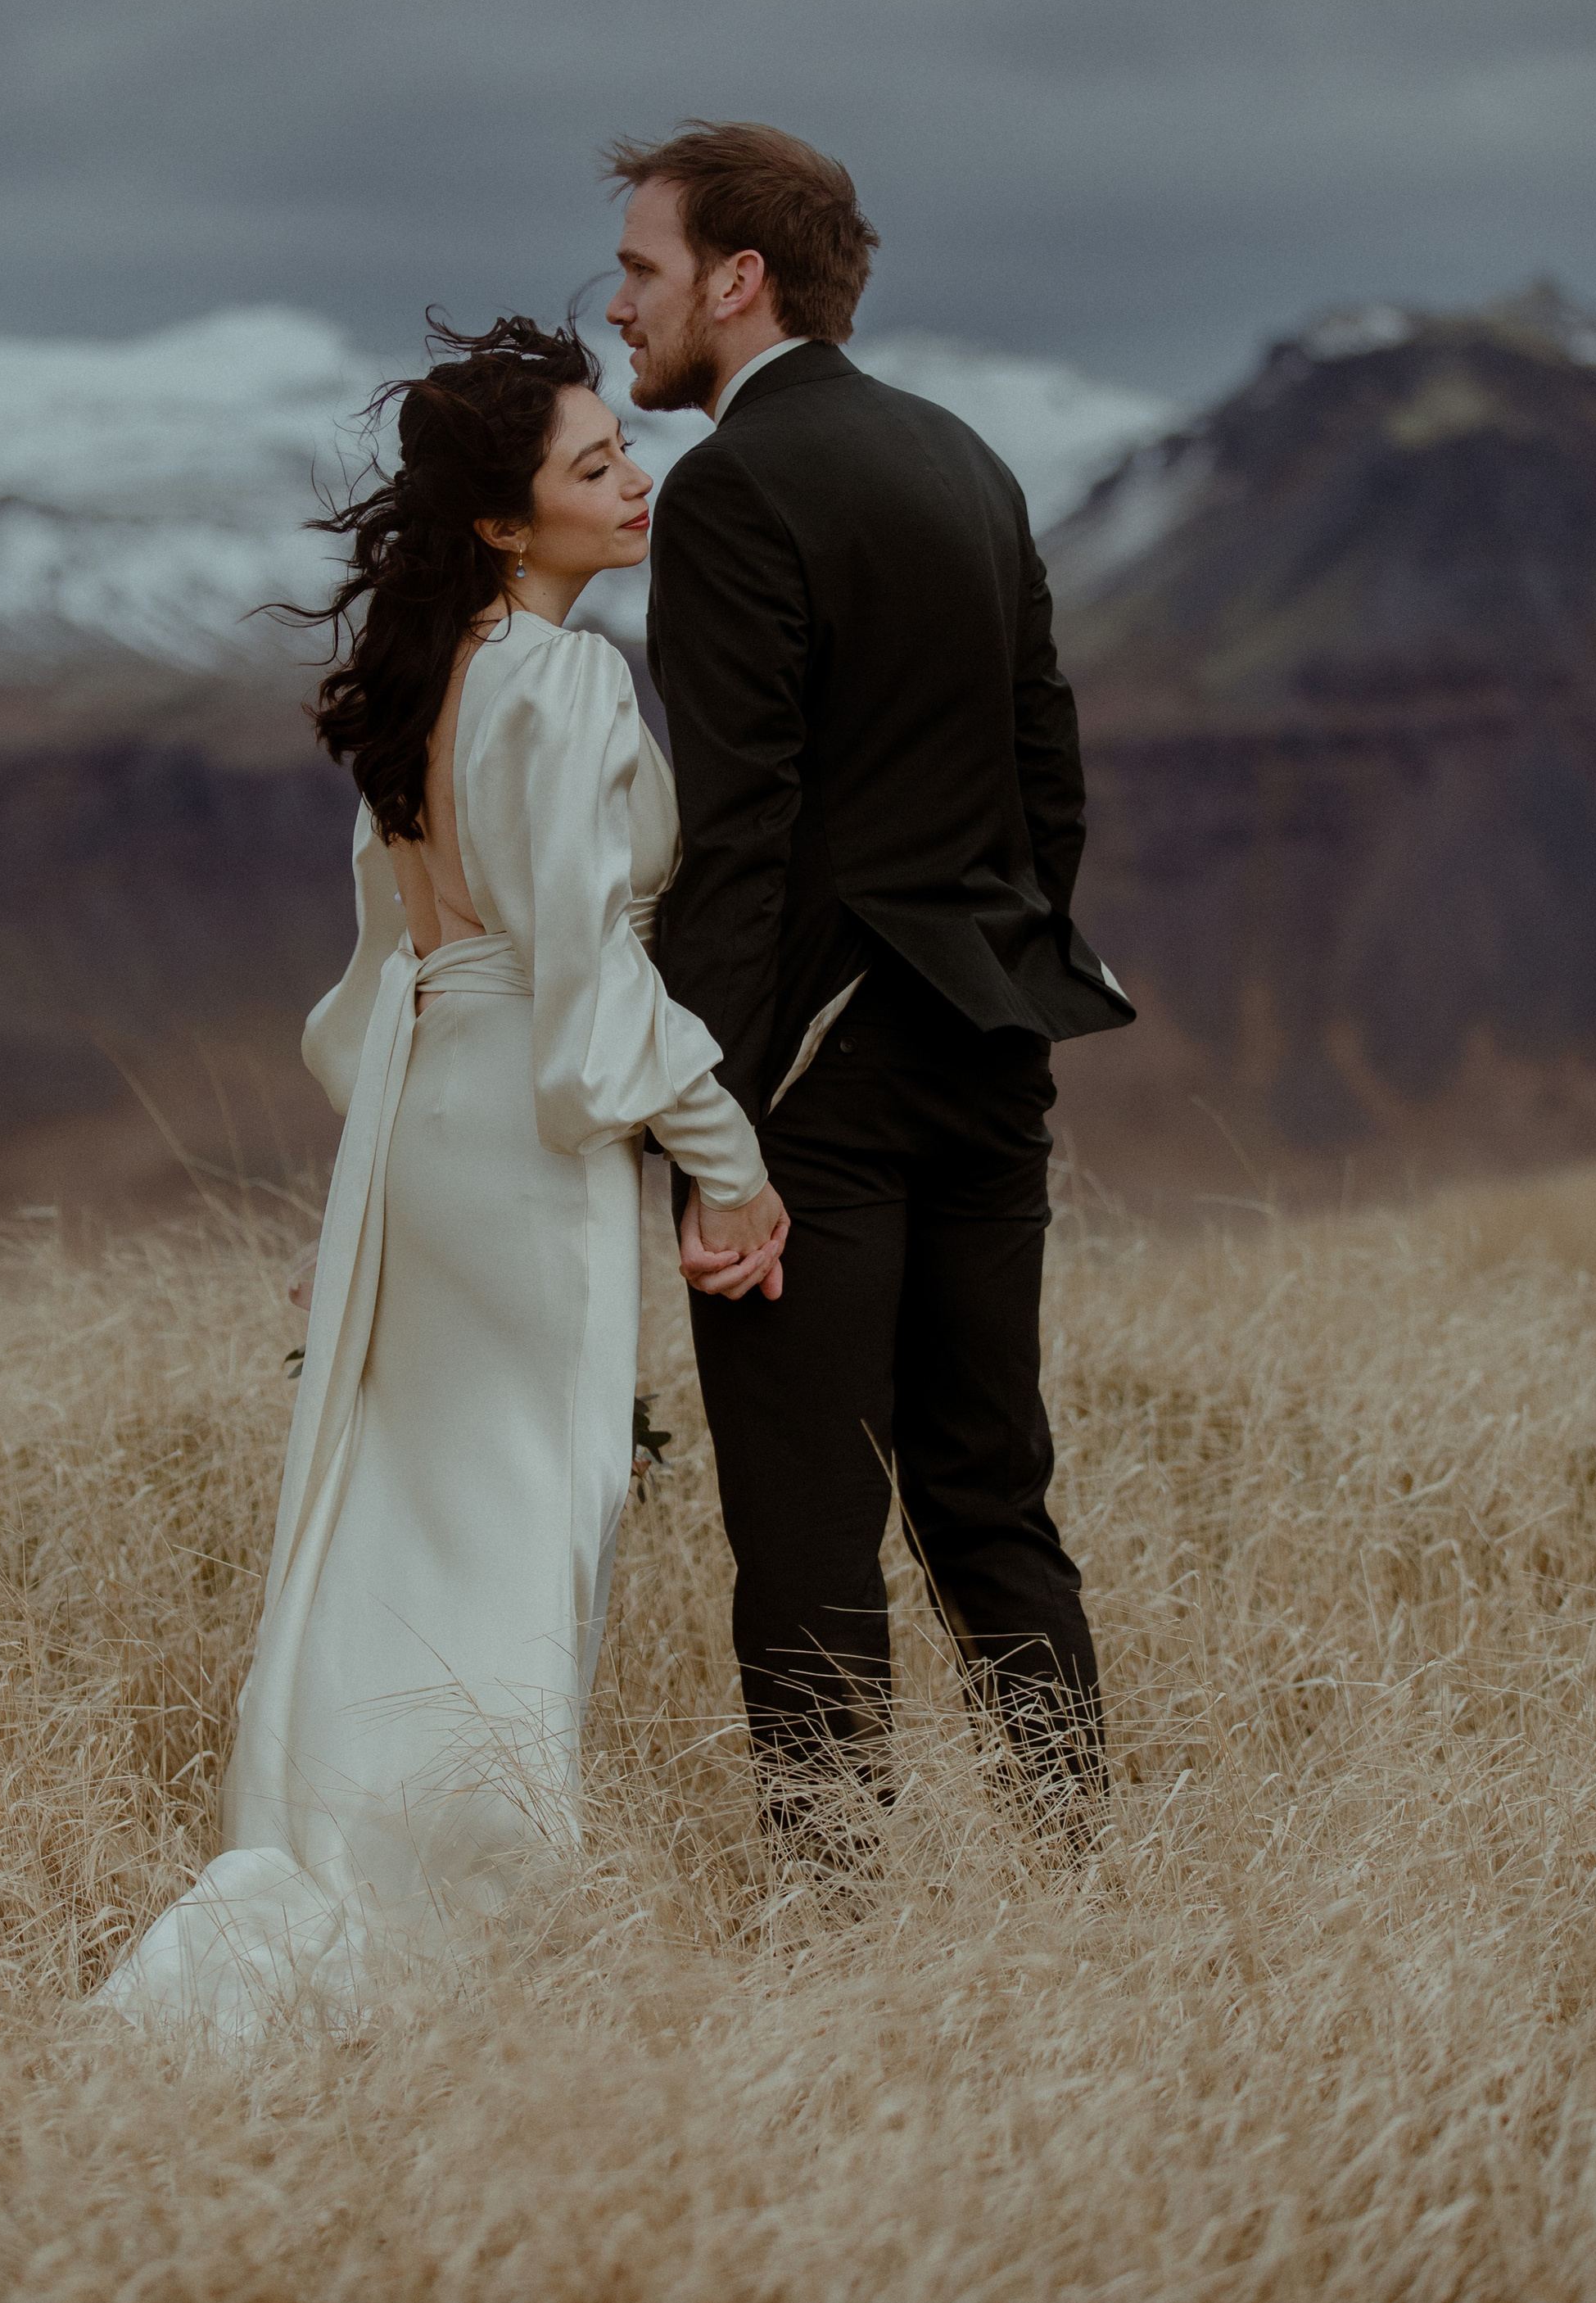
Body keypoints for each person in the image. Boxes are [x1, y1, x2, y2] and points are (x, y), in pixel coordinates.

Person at [102, 315, 786, 2039]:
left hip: (422, 1125)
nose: (631, 480)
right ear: (501, 521)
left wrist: (362, 1214)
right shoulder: (562, 680)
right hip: (526, 1146)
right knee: (530, 1520)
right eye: (591, 467)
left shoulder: (429, 682)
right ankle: (458, 1923)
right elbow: (585, 971)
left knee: (408, 1519)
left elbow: (385, 976)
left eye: (621, 451)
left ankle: (337, 1866)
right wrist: (725, 1161)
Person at [605, 121, 1135, 1852]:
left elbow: (740, 833)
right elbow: (1046, 774)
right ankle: (1082, 1869)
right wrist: (1001, 955)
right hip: (989, 1045)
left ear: (736, 281)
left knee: (809, 1518)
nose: (618, 305)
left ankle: (831, 1928)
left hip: (814, 1088)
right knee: (992, 1494)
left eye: (642, 269)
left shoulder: (730, 489)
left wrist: (712, 1127)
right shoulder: (966, 461)